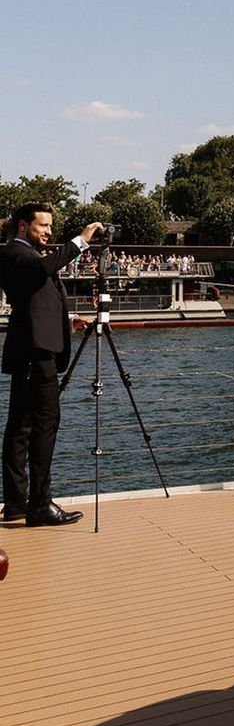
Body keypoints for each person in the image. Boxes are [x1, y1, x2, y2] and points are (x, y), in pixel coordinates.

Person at [1, 203, 103, 526]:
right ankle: (39, 505)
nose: (47, 232)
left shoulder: (26, 255)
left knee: (21, 428)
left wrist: (69, 320)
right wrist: (81, 240)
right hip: (36, 354)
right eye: (42, 226)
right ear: (21, 226)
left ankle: (17, 503)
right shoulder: (15, 253)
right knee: (44, 427)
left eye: (50, 226)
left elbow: (37, 301)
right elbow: (41, 272)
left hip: (33, 348)